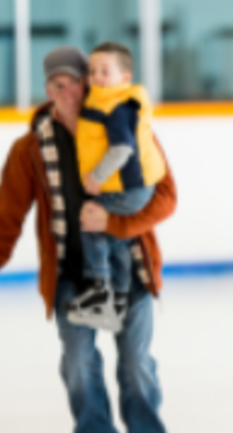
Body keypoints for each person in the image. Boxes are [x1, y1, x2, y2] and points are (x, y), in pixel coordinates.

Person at [0, 46, 187, 433]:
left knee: (136, 366)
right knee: (81, 366)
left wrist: (115, 224)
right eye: (56, 85)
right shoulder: (30, 149)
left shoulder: (125, 122)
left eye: (75, 82)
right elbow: (5, 216)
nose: (67, 93)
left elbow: (165, 196)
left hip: (132, 271)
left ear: (90, 82)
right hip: (71, 274)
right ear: (47, 90)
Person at [67, 41, 167, 332]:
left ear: (125, 77)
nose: (96, 77)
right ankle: (118, 299)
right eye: (92, 71)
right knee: (117, 239)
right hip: (131, 189)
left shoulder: (117, 106)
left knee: (91, 222)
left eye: (105, 71)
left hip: (128, 189)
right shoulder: (103, 101)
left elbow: (122, 148)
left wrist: (97, 177)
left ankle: (99, 291)